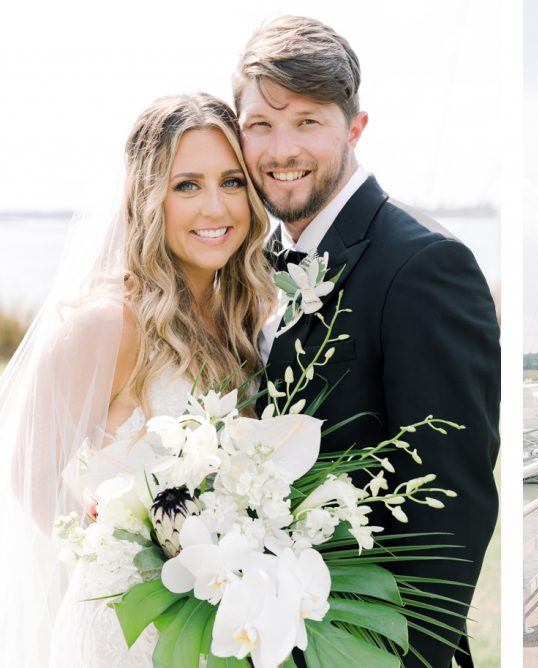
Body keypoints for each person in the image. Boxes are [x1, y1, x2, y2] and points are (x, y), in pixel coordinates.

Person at [233, 16, 500, 667]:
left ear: (355, 128)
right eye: (260, 124)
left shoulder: (425, 266)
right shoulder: (252, 266)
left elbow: (449, 515)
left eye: (307, 122)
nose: (281, 149)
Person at [0, 93, 275, 666]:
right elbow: (29, 470)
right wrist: (118, 554)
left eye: (231, 182)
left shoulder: (242, 321)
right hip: (124, 631)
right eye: (187, 185)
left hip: (223, 625)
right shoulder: (106, 324)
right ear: (146, 197)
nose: (216, 207)